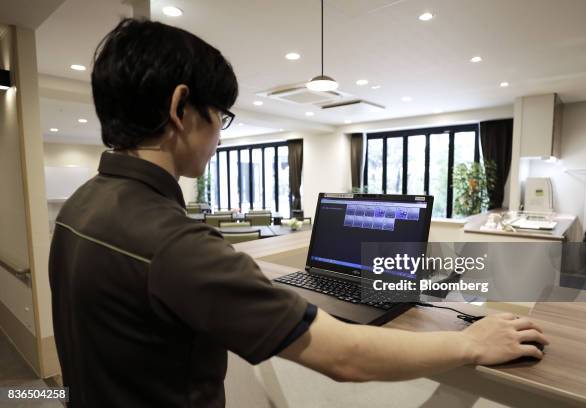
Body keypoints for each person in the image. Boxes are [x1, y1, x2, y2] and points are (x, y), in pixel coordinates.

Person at [48, 18, 548, 408]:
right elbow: (345, 355)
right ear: (181, 109)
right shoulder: (174, 245)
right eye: (220, 116)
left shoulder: (81, 206)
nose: (221, 133)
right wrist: (472, 343)